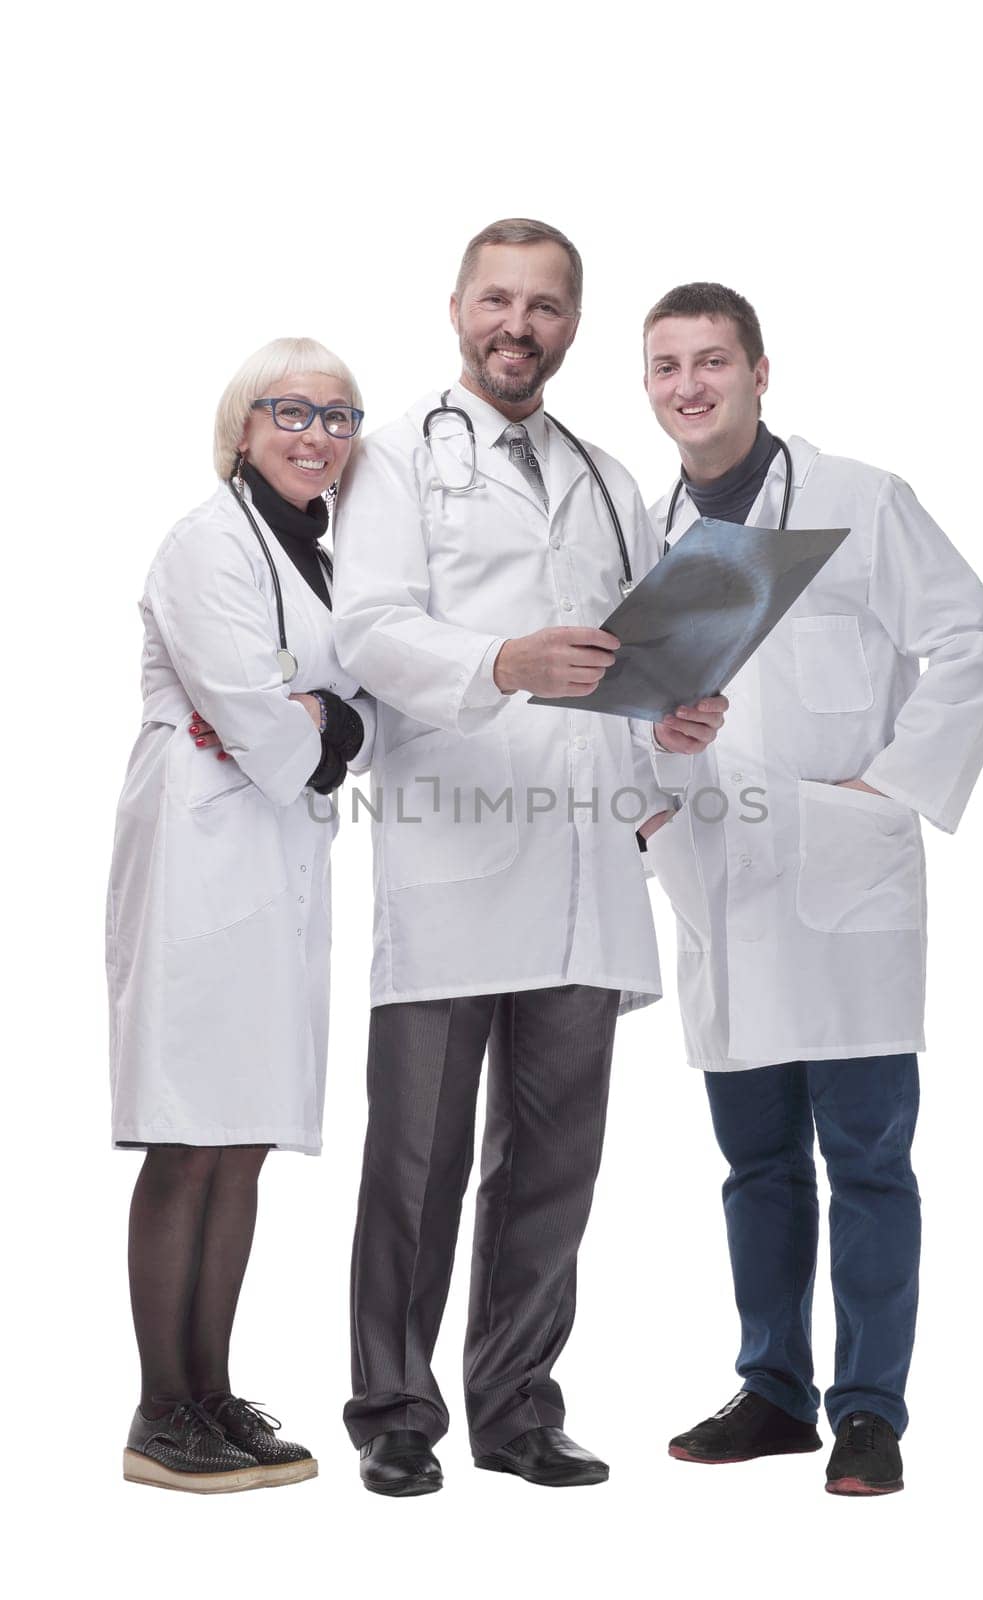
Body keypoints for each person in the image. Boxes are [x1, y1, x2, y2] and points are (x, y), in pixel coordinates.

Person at [332, 219, 725, 1497]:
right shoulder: (393, 460)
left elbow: (636, 655)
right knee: (419, 1159)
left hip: (583, 866)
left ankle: (515, 1405)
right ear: (456, 308)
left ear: (572, 325)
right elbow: (371, 633)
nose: (520, 324)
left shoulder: (612, 479)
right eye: (498, 300)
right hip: (453, 851)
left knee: (553, 1163)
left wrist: (672, 708)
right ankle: (396, 1409)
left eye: (546, 306)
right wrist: (499, 662)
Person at [640, 283, 983, 1496]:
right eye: (665, 368)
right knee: (752, 1165)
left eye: (710, 361)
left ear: (758, 371)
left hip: (841, 877)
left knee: (864, 1160)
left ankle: (867, 1410)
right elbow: (636, 710)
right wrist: (655, 781)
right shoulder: (649, 538)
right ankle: (770, 1390)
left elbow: (974, 639)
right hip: (722, 886)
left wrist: (890, 784)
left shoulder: (859, 500)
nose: (688, 385)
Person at [107, 337, 374, 1493]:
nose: (316, 433)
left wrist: (326, 715)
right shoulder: (205, 542)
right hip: (201, 857)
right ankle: (159, 1410)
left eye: (338, 416)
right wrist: (313, 721)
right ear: (242, 424)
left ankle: (211, 1394)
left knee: (244, 1137)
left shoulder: (329, 559)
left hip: (273, 862)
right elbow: (261, 726)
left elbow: (367, 704)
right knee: (189, 1131)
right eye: (291, 410)